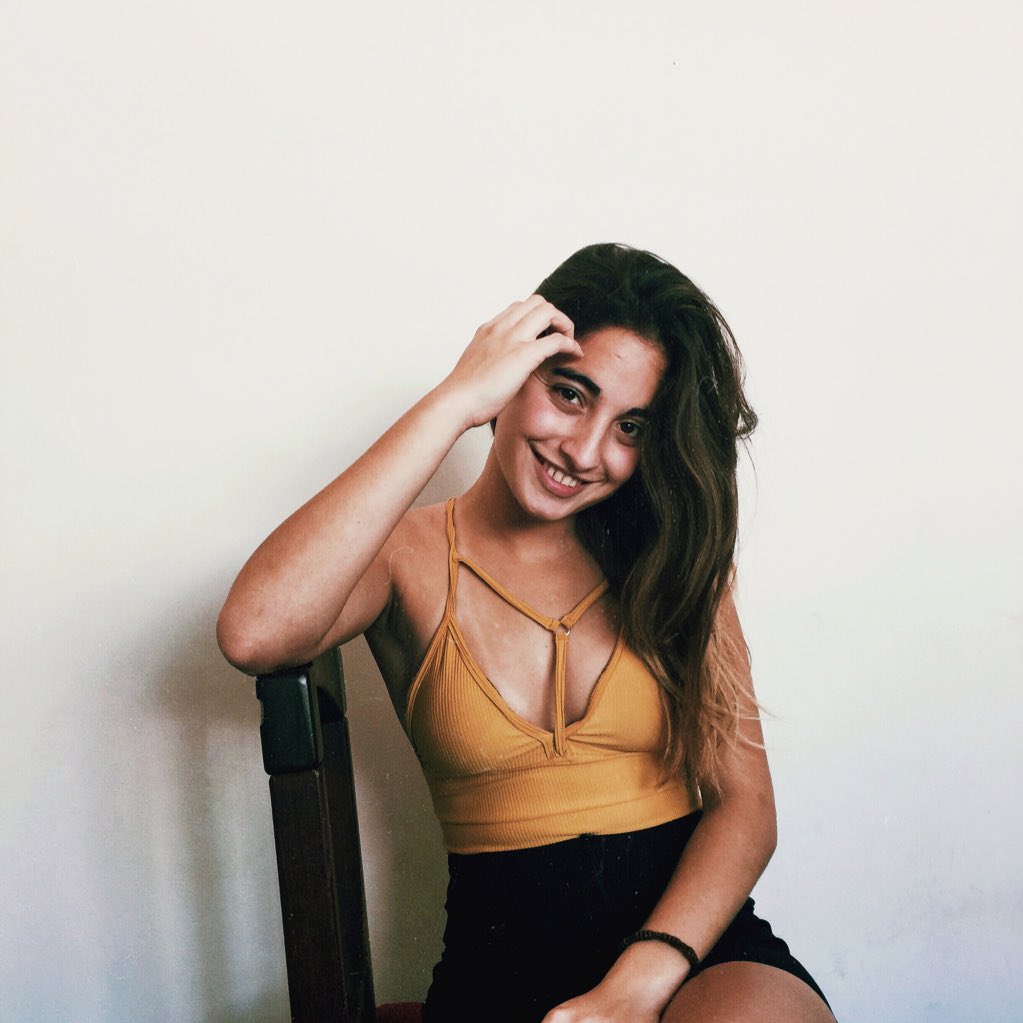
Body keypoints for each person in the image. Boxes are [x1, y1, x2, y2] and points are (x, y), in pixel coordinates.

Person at [217, 243, 836, 1023]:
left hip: (691, 954)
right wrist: (454, 401)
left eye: (630, 426)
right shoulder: (405, 556)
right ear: (513, 372)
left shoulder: (671, 557)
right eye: (569, 394)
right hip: (499, 972)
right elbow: (254, 632)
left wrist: (636, 984)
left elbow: (745, 806)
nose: (584, 451)